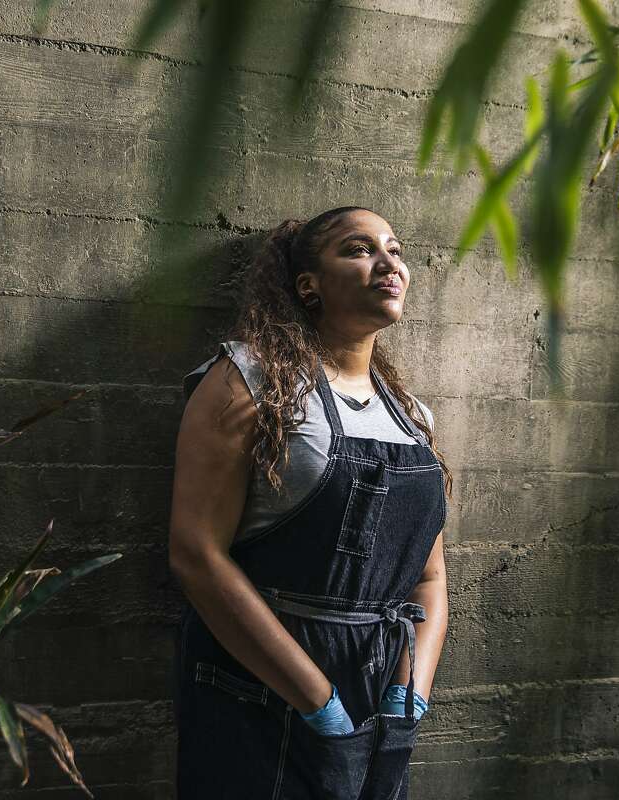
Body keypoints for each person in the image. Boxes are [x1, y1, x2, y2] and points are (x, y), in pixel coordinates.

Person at [168, 206, 453, 798]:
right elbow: (196, 554)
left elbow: (428, 580)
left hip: (380, 697)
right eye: (359, 249)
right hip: (261, 686)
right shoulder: (248, 380)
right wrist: (315, 697)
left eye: (395, 250)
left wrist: (413, 693)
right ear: (308, 285)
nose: (388, 263)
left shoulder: (413, 417)